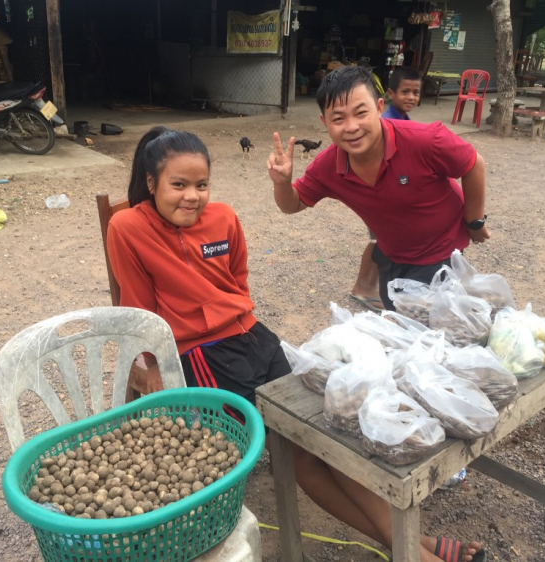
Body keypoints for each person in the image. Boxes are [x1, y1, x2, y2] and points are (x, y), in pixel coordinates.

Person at [108, 126, 485, 562]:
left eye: (201, 185)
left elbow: (238, 278)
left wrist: (238, 318)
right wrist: (149, 364)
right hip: (203, 354)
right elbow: (137, 309)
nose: (192, 196)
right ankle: (414, 550)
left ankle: (413, 544)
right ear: (152, 183)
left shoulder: (224, 217)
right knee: (299, 451)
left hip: (254, 335)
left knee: (322, 431)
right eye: (178, 185)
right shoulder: (128, 227)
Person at [267, 65, 490, 312]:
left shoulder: (425, 139)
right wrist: (282, 183)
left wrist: (475, 222)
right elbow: (293, 204)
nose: (351, 127)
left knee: (438, 332)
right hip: (392, 258)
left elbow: (473, 164)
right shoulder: (329, 166)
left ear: (379, 108)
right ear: (324, 121)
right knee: (400, 325)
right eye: (338, 118)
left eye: (360, 113)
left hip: (441, 254)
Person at [352, 66, 424, 311]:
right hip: (379, 196)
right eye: (406, 92)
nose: (411, 97)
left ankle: (371, 287)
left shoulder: (403, 119)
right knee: (379, 242)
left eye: (416, 92)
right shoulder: (386, 122)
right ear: (391, 94)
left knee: (383, 242)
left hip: (394, 196)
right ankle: (363, 287)